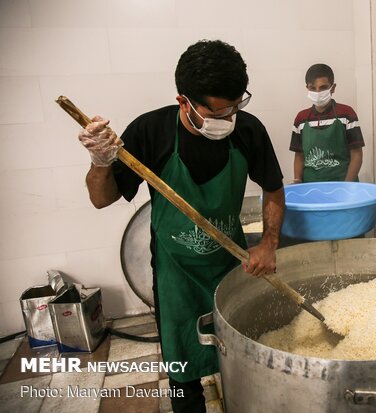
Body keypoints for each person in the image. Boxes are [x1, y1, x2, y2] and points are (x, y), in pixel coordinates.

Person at [77, 39, 284, 412]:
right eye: (218, 112)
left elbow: (273, 189)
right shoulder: (150, 131)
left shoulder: (248, 130)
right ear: (183, 101)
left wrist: (268, 243)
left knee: (238, 360)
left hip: (231, 266)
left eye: (236, 107)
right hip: (175, 276)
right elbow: (100, 198)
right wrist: (100, 162)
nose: (228, 120)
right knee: (182, 369)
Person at [289, 63, 364, 183]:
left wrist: (347, 185)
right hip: (310, 187)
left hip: (342, 184)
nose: (318, 92)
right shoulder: (301, 119)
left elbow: (357, 154)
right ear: (307, 88)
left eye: (323, 87)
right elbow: (299, 156)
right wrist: (298, 181)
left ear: (333, 88)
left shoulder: (346, 114)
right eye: (313, 88)